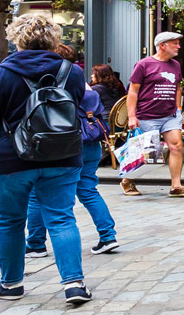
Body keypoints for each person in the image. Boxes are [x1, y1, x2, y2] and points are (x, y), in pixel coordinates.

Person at [0, 12, 90, 304]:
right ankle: (74, 284)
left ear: (17, 39)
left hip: (10, 158)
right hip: (62, 154)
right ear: (53, 39)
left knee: (10, 221)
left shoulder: (0, 74)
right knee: (61, 218)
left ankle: (10, 284)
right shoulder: (71, 72)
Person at [25, 56, 120, 260]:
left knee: (37, 192)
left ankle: (35, 243)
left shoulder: (54, 85)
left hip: (69, 146)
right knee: (88, 190)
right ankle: (108, 235)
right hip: (91, 144)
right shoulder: (87, 87)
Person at [123, 31, 184, 197]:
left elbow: (177, 87)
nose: (178, 46)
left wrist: (178, 108)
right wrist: (132, 116)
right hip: (147, 114)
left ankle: (176, 186)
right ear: (163, 45)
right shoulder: (143, 64)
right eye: (175, 43)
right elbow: (133, 92)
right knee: (146, 153)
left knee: (176, 146)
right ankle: (127, 180)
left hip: (169, 115)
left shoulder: (176, 65)